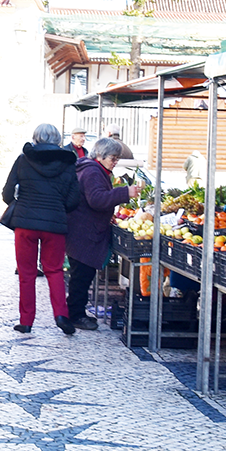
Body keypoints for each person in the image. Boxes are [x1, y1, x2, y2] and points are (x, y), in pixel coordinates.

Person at [3, 123, 80, 334]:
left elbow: (7, 194)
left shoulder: (23, 159)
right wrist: (57, 207)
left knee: (27, 273)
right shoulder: (67, 162)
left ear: (35, 138)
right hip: (55, 224)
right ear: (57, 140)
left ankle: (26, 321)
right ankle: (61, 315)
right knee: (54, 270)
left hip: (25, 223)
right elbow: (74, 199)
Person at [66, 137, 143, 330]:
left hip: (82, 231)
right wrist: (125, 193)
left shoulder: (95, 169)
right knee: (81, 277)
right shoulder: (92, 171)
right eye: (113, 158)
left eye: (117, 158)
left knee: (82, 276)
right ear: (100, 155)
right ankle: (75, 315)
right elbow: (97, 199)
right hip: (84, 234)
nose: (115, 162)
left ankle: (77, 313)